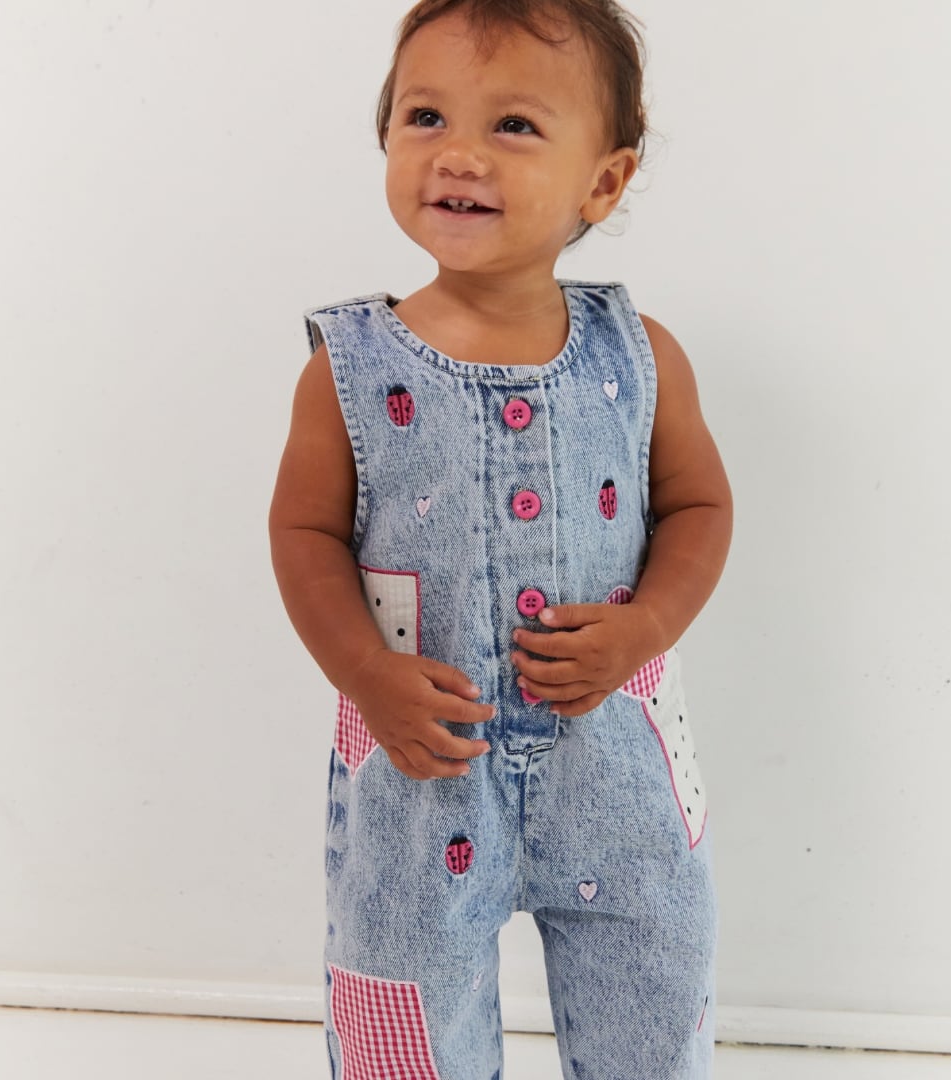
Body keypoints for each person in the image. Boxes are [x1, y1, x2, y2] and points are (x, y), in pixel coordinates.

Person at [269, 1, 732, 1076]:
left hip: (615, 761)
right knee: (406, 1026)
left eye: (514, 125)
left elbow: (700, 508)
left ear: (603, 182)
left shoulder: (640, 355)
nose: (459, 154)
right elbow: (303, 534)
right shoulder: (349, 368)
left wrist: (646, 627)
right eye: (425, 116)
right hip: (420, 764)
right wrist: (365, 674)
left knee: (652, 1008)